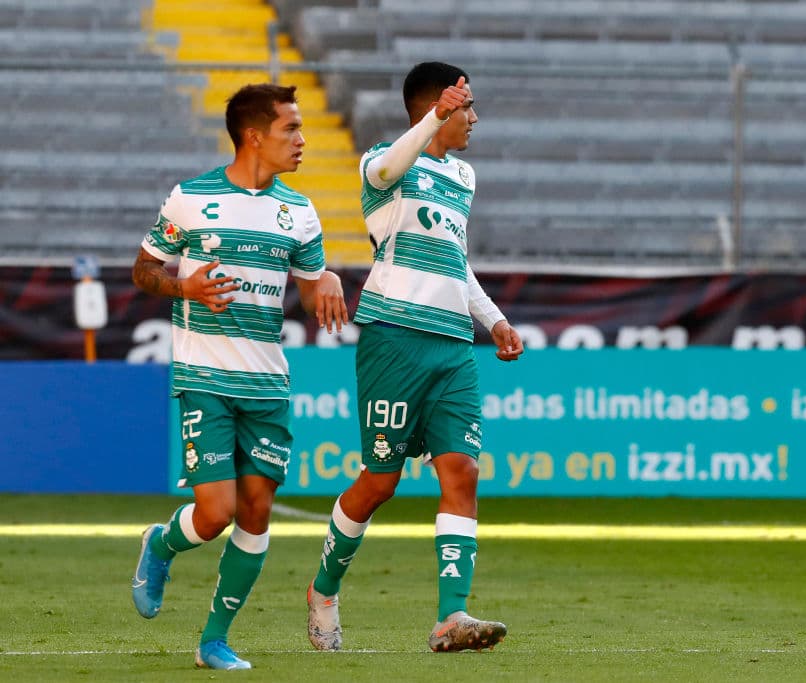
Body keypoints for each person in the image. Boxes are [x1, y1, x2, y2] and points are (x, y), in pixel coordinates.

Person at [306, 61, 523, 654]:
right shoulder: (382, 161)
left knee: (463, 471)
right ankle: (323, 590)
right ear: (439, 108)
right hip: (394, 336)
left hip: (453, 343)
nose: (474, 119)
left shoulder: (464, 177)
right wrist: (434, 119)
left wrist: (495, 319)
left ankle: (451, 617)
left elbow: (457, 259)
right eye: (466, 107)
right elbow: (386, 166)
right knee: (380, 481)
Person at [130, 83, 348, 670]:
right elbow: (144, 269)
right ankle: (162, 542)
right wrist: (185, 287)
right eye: (291, 129)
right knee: (216, 513)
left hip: (268, 383)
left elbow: (310, 287)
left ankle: (213, 641)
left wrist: (324, 281)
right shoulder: (191, 197)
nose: (303, 140)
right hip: (204, 374)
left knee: (255, 514)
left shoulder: (298, 210)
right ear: (255, 135)